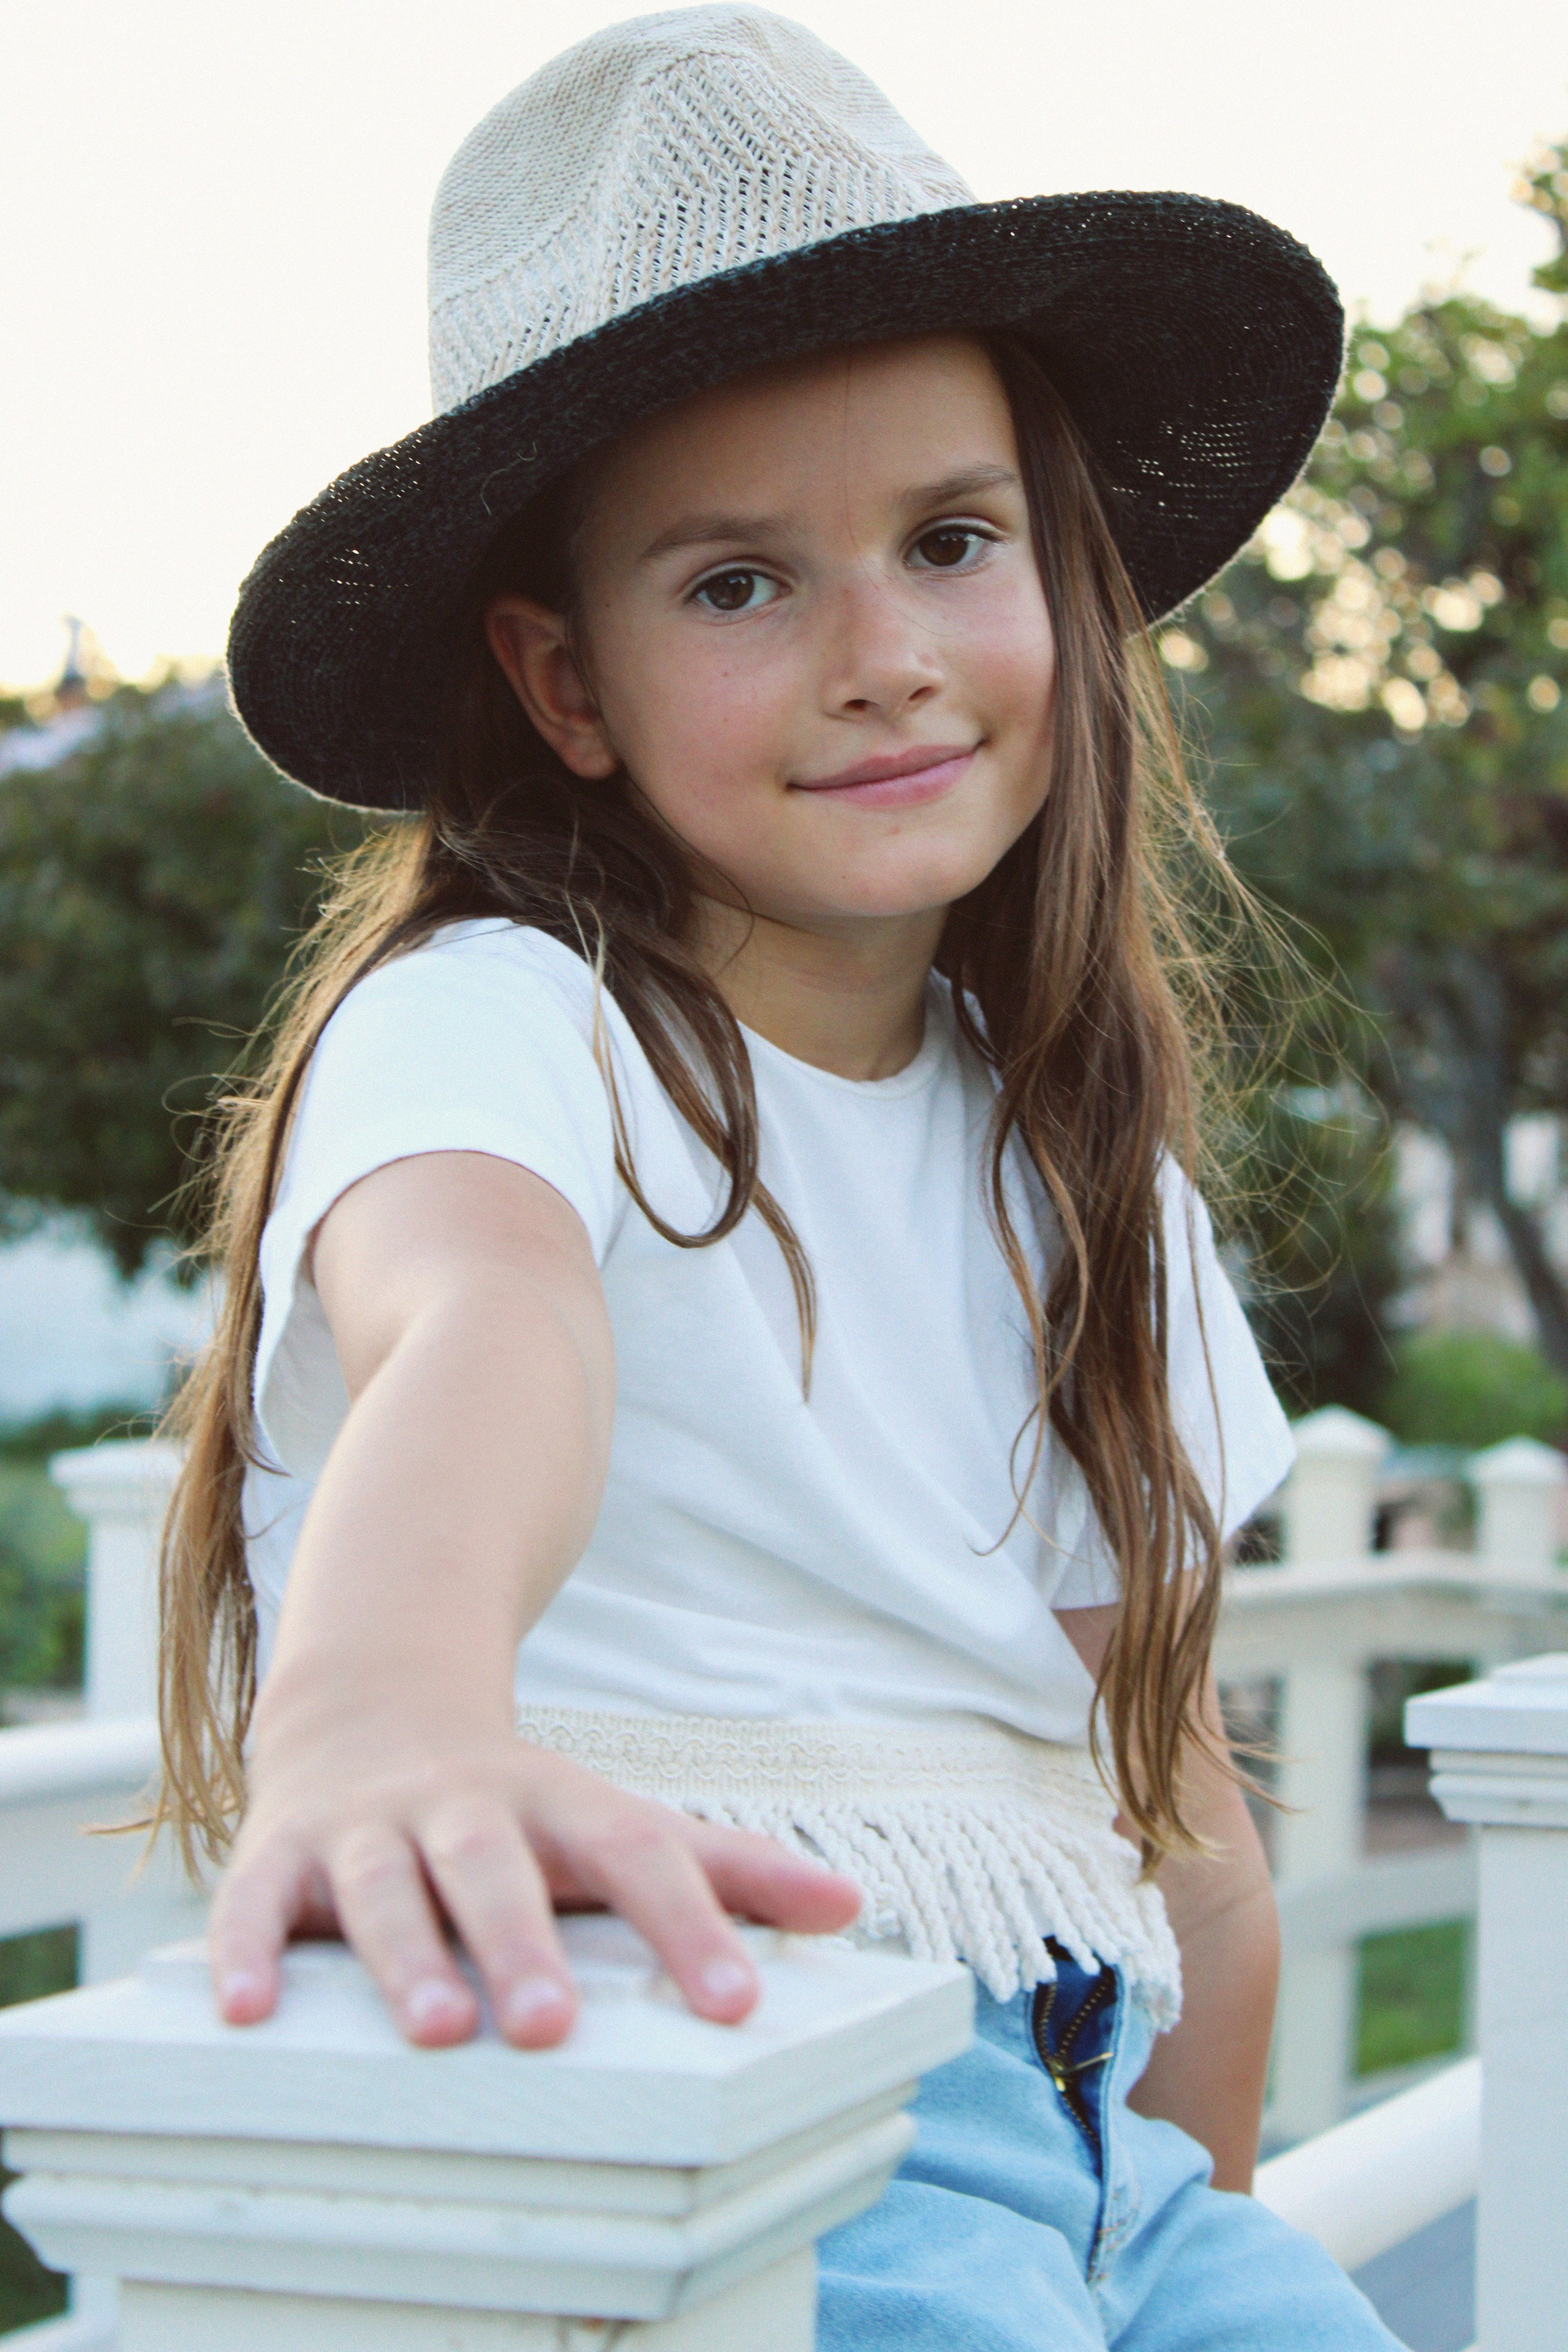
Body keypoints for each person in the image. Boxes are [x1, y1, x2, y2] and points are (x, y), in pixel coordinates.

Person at [159, 10, 1398, 2343]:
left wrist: (1172, 2236)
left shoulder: (1083, 1180)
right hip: (761, 2101)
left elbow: (1167, 1806)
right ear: (565, 681)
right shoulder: (509, 1030)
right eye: (737, 584)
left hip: (1083, 2128)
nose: (885, 660)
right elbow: (481, 1320)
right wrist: (384, 1713)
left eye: (952, 541)